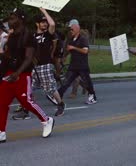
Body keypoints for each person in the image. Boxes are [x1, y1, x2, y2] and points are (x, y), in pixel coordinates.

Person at [0, 8, 54, 143]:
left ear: (21, 19)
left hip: (22, 75)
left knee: (27, 102)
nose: (10, 21)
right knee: (2, 103)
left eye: (13, 18)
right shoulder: (12, 36)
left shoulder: (28, 36)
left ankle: (46, 120)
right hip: (9, 74)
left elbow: (28, 58)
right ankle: (1, 132)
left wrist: (17, 73)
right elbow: (8, 55)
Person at [13, 8, 66, 120]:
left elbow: (52, 24)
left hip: (45, 65)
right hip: (33, 67)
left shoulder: (47, 34)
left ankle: (60, 104)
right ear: (37, 24)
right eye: (42, 22)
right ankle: (25, 111)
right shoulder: (32, 35)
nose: (45, 24)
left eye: (45, 22)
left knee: (50, 88)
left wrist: (44, 11)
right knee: (28, 90)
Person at [57, 19, 97, 105]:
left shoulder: (83, 38)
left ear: (76, 28)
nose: (70, 31)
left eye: (72, 29)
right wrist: (65, 55)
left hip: (82, 65)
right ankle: (58, 95)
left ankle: (92, 96)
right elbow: (69, 49)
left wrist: (74, 48)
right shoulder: (72, 39)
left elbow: (85, 51)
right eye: (70, 29)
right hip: (73, 65)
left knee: (87, 82)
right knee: (66, 81)